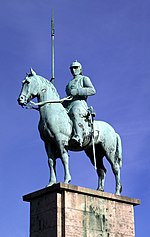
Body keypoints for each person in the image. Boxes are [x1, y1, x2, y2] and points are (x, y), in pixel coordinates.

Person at [65, 60, 96, 146]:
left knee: (75, 111)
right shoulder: (68, 84)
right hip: (69, 105)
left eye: (76, 68)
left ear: (80, 69)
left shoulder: (84, 78)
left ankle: (79, 136)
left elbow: (92, 90)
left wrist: (78, 91)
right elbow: (68, 98)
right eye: (72, 68)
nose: (74, 70)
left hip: (79, 104)